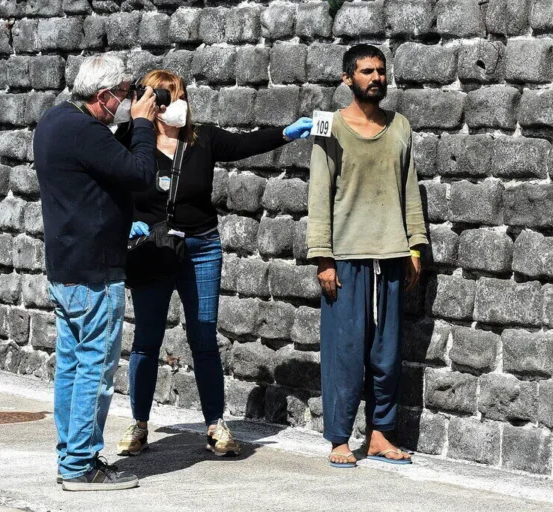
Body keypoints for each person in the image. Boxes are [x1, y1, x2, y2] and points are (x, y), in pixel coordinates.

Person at [115, 69, 313, 458]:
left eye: (178, 95)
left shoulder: (201, 138)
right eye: (164, 97)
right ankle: (139, 424)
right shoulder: (131, 140)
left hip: (201, 247)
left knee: (204, 338)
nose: (173, 104)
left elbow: (244, 144)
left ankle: (215, 424)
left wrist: (287, 133)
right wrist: (125, 222)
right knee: (146, 340)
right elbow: (104, 178)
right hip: (152, 249)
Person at [33, 54, 161, 491]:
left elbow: (103, 165)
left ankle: (70, 456)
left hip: (66, 266)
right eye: (124, 94)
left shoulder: (54, 120)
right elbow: (141, 174)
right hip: (96, 272)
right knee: (95, 369)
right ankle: (81, 465)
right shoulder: (86, 131)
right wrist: (143, 125)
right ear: (104, 96)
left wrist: (130, 122)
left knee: (71, 366)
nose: (128, 101)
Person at [307, 44, 428, 468]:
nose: (376, 78)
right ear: (347, 79)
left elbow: (410, 189)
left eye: (380, 71)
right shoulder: (329, 126)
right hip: (345, 258)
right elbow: (319, 192)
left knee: (387, 354)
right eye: (366, 71)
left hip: (392, 254)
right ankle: (339, 439)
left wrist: (415, 245)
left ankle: (380, 435)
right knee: (344, 354)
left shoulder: (400, 126)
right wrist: (323, 257)